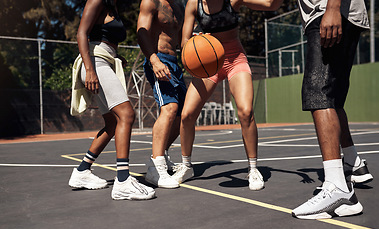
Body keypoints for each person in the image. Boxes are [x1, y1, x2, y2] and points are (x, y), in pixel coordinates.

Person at [173, 0, 282, 190]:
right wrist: (193, 42)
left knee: (246, 112)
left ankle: (253, 168)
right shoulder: (194, 4)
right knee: (186, 115)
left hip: (234, 58)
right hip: (209, 60)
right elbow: (184, 42)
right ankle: (186, 165)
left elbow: (270, 4)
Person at [292, 0, 373, 219]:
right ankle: (353, 165)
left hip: (328, 11)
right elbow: (272, 3)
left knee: (318, 93)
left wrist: (333, 8)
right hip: (338, 14)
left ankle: (337, 189)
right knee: (333, 99)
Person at [68, 0, 155, 200]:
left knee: (113, 123)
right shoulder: (97, 0)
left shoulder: (113, 7)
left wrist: (117, 55)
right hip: (94, 62)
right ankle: (123, 181)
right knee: (127, 114)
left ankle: (82, 172)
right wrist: (90, 70)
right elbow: (82, 33)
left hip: (104, 60)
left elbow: (104, 39)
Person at [136, 0, 187, 188]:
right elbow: (141, 33)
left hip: (175, 63)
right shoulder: (151, 2)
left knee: (184, 114)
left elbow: (183, 38)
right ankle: (155, 168)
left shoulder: (180, 6)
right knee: (170, 108)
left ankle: (161, 156)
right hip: (158, 59)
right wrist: (154, 61)